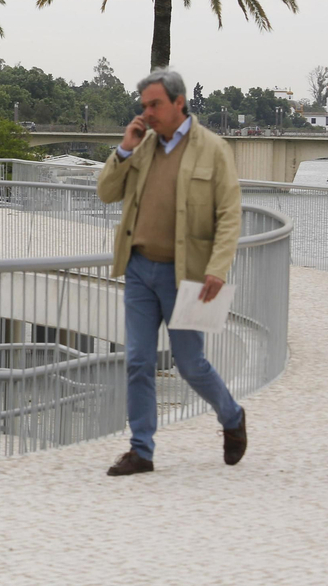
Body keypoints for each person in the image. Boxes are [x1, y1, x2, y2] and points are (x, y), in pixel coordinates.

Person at [96, 67, 247, 476]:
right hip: (140, 269)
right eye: (144, 105)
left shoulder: (213, 149)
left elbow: (229, 215)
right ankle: (141, 450)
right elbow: (106, 192)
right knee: (138, 362)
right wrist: (124, 149)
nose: (147, 113)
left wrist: (218, 268)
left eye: (155, 104)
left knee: (190, 364)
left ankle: (232, 417)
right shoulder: (141, 145)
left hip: (188, 275)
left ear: (179, 103)